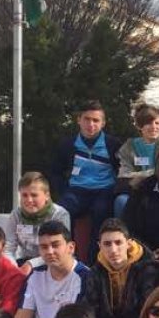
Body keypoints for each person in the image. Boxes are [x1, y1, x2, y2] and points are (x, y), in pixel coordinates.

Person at [80, 219, 159, 318]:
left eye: (118, 243)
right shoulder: (95, 272)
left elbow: (149, 313)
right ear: (99, 246)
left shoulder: (148, 269)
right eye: (107, 244)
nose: (113, 250)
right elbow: (89, 309)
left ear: (129, 243)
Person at [15, 221, 94, 318]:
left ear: (71, 247)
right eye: (44, 247)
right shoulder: (35, 275)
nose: (49, 252)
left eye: (55, 245)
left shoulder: (85, 277)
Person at [51, 100, 122, 252]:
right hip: (77, 191)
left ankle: (95, 259)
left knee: (101, 211)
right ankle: (68, 254)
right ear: (79, 120)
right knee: (61, 210)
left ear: (103, 123)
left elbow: (121, 171)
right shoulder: (68, 144)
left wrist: (115, 190)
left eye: (96, 120)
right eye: (87, 119)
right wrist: (63, 191)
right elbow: (56, 172)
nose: (91, 124)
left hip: (104, 190)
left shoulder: (113, 144)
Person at [114, 104, 159, 219]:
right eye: (148, 123)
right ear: (140, 126)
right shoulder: (129, 146)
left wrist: (139, 176)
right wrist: (152, 173)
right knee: (121, 201)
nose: (153, 127)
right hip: (135, 190)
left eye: (157, 123)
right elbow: (124, 174)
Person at [6, 172, 72, 272]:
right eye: (24, 195)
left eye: (34, 195)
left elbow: (60, 250)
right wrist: (13, 268)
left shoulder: (60, 214)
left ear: (47, 195)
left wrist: (32, 264)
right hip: (23, 262)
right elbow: (8, 248)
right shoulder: (16, 215)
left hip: (53, 262)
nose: (29, 200)